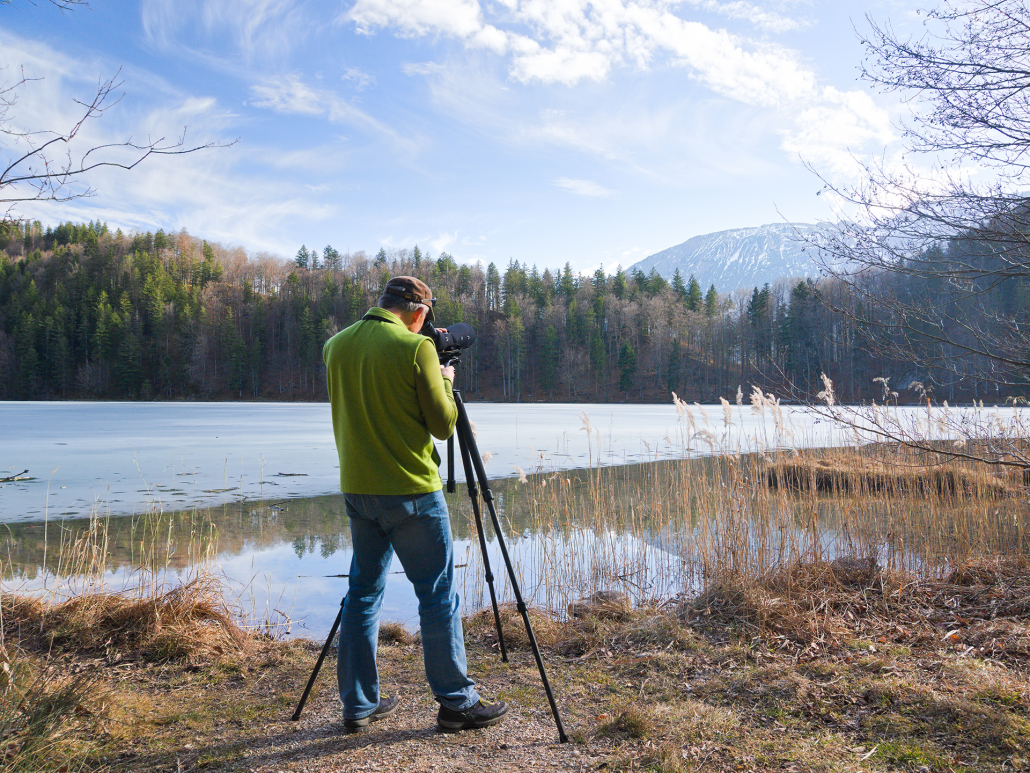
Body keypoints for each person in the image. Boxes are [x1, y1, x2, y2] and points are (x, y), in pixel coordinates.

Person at [322, 275, 508, 734]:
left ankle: (359, 704)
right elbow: (444, 425)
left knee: (363, 594)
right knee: (438, 595)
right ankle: (457, 703)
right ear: (420, 313)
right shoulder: (415, 348)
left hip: (358, 490)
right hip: (411, 493)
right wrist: (446, 379)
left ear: (382, 303)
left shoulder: (336, 345)